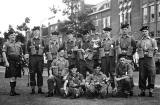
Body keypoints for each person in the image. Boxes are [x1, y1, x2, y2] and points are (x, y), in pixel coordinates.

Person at [137, 26, 158, 97]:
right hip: (142, 59)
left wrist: (151, 55)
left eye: (146, 31)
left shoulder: (152, 40)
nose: (144, 33)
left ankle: (151, 91)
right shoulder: (140, 41)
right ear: (142, 32)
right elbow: (138, 50)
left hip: (150, 59)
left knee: (151, 74)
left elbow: (155, 50)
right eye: (143, 31)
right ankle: (142, 91)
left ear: (148, 32)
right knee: (142, 75)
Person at [26, 26, 46, 94]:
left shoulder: (42, 40)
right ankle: (33, 89)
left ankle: (40, 89)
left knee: (40, 73)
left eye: (37, 31)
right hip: (32, 58)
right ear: (33, 32)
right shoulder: (30, 40)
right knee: (32, 73)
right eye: (35, 31)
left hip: (40, 58)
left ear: (39, 32)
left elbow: (45, 49)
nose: (36, 32)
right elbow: (27, 50)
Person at [100, 27, 116, 92]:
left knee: (112, 72)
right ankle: (105, 89)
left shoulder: (113, 40)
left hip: (111, 57)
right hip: (104, 57)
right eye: (105, 32)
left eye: (108, 32)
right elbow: (100, 50)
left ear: (110, 33)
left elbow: (115, 51)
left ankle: (113, 88)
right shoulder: (102, 41)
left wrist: (115, 59)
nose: (107, 34)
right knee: (104, 72)